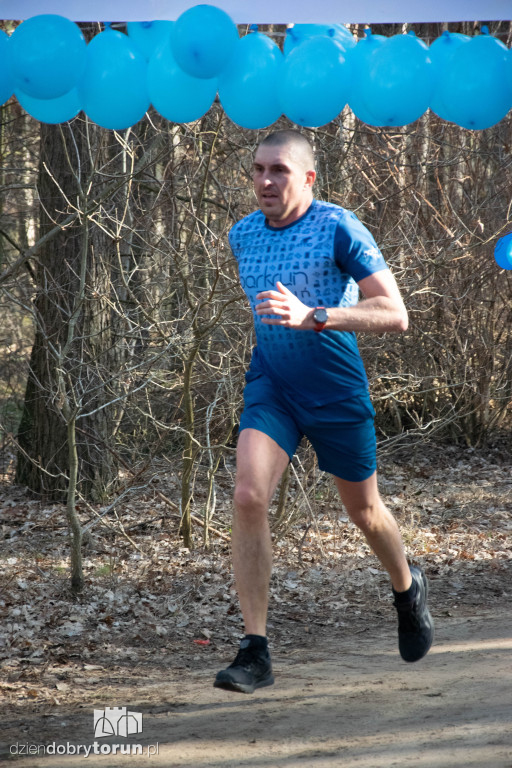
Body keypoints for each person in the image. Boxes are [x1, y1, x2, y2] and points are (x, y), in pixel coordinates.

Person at [214, 129, 433, 694]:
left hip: (335, 389)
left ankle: (407, 589)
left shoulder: (338, 226)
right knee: (247, 494)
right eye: (259, 169)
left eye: (279, 170)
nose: (265, 180)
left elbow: (394, 312)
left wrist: (315, 314)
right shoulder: (241, 235)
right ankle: (255, 651)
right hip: (274, 387)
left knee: (364, 512)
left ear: (308, 177)